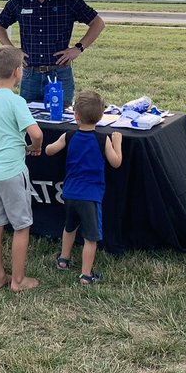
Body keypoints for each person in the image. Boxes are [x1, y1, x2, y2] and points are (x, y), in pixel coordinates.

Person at [0, 45, 44, 293]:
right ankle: (18, 280)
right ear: (17, 71)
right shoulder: (16, 101)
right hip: (12, 172)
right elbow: (36, 133)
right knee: (21, 226)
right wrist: (33, 147)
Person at [0, 0, 104, 104]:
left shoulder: (68, 0)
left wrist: (78, 48)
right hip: (30, 75)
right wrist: (13, 51)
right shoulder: (19, 1)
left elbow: (98, 23)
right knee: (29, 120)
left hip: (60, 74)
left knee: (61, 120)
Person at [45, 90, 123, 285]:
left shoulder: (68, 136)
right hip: (91, 196)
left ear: (76, 115)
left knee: (69, 227)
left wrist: (48, 146)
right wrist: (117, 143)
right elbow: (116, 162)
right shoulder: (102, 140)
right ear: (101, 116)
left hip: (70, 193)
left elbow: (49, 150)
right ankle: (86, 275)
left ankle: (63, 259)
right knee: (90, 237)